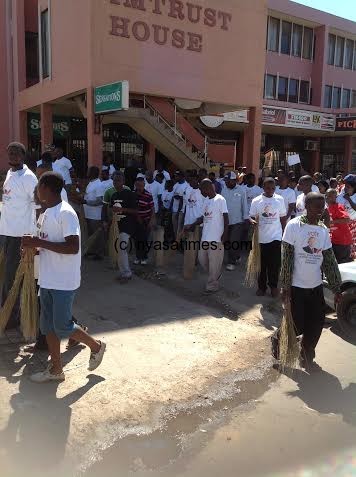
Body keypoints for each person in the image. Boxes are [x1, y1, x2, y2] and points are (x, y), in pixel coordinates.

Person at [22, 172, 106, 383]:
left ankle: (96, 346)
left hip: (64, 280)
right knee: (48, 327)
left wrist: (38, 244)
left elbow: (72, 247)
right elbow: (48, 244)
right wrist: (33, 249)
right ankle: (56, 370)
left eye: (39, 186)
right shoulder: (45, 213)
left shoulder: (66, 213)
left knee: (62, 326)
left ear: (46, 188)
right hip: (47, 278)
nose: (37, 190)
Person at [272, 192, 342, 371]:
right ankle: (278, 344)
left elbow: (329, 259)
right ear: (307, 206)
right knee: (296, 323)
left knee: (317, 322)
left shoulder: (323, 230)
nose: (321, 210)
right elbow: (286, 256)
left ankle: (306, 353)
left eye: (322, 206)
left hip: (315, 286)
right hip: (297, 286)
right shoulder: (294, 226)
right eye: (317, 206)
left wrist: (336, 287)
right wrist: (285, 285)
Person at [0, 143, 38, 329]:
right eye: (10, 152)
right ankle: (6, 309)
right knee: (6, 275)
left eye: (16, 153)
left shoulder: (29, 178)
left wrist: (30, 236)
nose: (13, 156)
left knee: (12, 276)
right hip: (6, 232)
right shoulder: (10, 173)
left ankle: (11, 316)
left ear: (23, 156)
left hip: (19, 235)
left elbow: (37, 206)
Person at [187, 179, 229, 294]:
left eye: (201, 189)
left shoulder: (220, 200)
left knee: (214, 262)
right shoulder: (206, 201)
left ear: (207, 188)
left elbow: (226, 218)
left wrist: (225, 235)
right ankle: (215, 274)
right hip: (205, 236)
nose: (200, 192)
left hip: (216, 237)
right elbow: (202, 217)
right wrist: (192, 224)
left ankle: (212, 285)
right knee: (202, 259)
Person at [249, 177, 287, 298]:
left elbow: (282, 218)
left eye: (272, 188)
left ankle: (274, 286)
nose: (270, 190)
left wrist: (283, 235)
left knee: (274, 265)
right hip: (260, 238)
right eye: (267, 188)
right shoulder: (256, 201)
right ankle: (261, 287)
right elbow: (250, 216)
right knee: (261, 264)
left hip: (275, 237)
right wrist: (252, 221)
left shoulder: (279, 200)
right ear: (263, 187)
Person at [102, 171, 138, 282]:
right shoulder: (113, 195)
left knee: (121, 248)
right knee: (118, 248)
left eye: (118, 180)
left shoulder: (130, 194)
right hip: (116, 226)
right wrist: (108, 222)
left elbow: (136, 211)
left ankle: (127, 273)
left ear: (123, 181)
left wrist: (122, 209)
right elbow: (111, 211)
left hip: (127, 225)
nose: (115, 182)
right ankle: (123, 272)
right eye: (114, 180)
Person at [222, 171, 249, 271]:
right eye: (225, 181)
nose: (226, 183)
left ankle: (231, 261)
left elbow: (244, 205)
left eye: (228, 181)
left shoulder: (242, 190)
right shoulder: (224, 190)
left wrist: (246, 218)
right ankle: (236, 256)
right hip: (226, 221)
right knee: (228, 241)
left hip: (238, 221)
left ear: (233, 180)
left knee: (234, 240)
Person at [83, 166, 105, 260]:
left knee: (97, 234)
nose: (87, 173)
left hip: (95, 215)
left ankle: (99, 253)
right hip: (88, 213)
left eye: (89, 171)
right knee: (91, 234)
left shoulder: (99, 185)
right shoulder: (91, 183)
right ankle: (91, 251)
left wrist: (86, 202)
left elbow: (100, 201)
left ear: (93, 173)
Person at [326, 188, 353, 264]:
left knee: (342, 264)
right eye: (326, 196)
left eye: (330, 196)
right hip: (334, 240)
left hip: (343, 241)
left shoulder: (338, 207)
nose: (327, 198)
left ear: (335, 197)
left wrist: (332, 222)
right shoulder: (327, 208)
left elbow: (347, 219)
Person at [134, 177, 154, 265]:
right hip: (135, 221)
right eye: (138, 185)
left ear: (144, 185)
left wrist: (151, 221)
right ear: (135, 185)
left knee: (145, 240)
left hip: (146, 220)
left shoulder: (148, 195)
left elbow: (152, 208)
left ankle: (144, 257)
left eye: (141, 185)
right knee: (137, 240)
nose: (139, 187)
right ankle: (138, 257)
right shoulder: (132, 194)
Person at [336, 174, 356, 259]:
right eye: (345, 185)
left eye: (348, 186)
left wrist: (348, 199)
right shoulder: (341, 193)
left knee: (351, 244)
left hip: (352, 224)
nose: (346, 187)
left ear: (354, 187)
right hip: (340, 224)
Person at [172, 171, 188, 239]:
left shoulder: (186, 185)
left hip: (181, 210)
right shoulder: (176, 184)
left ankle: (179, 242)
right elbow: (173, 197)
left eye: (177, 176)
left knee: (180, 228)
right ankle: (176, 240)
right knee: (175, 226)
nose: (175, 177)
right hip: (174, 209)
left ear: (181, 176)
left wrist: (179, 211)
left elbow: (181, 199)